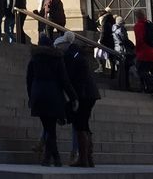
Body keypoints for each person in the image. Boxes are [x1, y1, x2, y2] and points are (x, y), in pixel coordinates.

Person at [26, 35, 75, 167]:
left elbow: (29, 80)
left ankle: (52, 158)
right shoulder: (56, 58)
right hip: (53, 95)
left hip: (38, 94)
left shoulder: (34, 59)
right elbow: (64, 80)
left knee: (48, 127)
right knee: (50, 128)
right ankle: (51, 158)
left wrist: (31, 96)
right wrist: (73, 96)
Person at [60, 31, 99, 168]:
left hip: (83, 94)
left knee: (80, 125)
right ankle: (88, 157)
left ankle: (84, 158)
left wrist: (74, 97)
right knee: (84, 124)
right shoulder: (79, 54)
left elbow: (70, 78)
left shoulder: (71, 56)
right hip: (90, 93)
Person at [132, 10, 153, 93]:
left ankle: (152, 81)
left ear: (137, 17)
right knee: (149, 71)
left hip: (144, 53)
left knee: (140, 70)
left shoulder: (138, 26)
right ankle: (151, 88)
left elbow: (139, 40)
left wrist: (136, 51)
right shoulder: (150, 24)